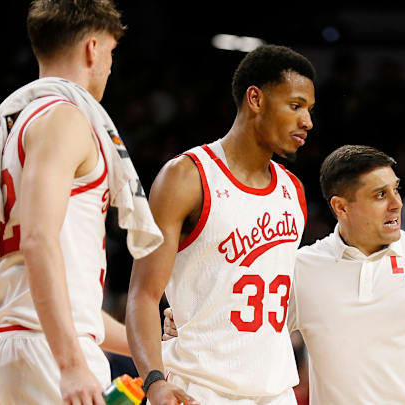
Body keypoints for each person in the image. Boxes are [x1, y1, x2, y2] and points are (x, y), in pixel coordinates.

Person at [164, 144, 405, 404]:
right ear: (340, 207)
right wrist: (191, 321)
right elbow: (243, 332)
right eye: (380, 194)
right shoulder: (301, 267)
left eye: (396, 189)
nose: (396, 203)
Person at [0, 1, 162, 404]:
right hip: (46, 353)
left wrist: (157, 347)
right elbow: (36, 239)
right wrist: (69, 364)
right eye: (112, 54)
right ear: (93, 48)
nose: (110, 67)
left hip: (11, 347)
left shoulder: (9, 132)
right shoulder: (65, 119)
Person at [125, 45, 316, 405]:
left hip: (274, 392)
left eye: (309, 110)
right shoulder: (186, 177)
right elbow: (143, 295)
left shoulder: (294, 190)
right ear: (255, 99)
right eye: (296, 106)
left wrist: (195, 313)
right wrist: (153, 381)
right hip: (198, 389)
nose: (307, 121)